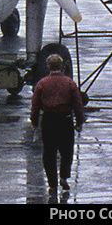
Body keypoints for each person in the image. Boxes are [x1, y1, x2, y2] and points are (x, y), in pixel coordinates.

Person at [30, 54, 85, 196]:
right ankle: (64, 177)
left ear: (48, 67)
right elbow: (78, 104)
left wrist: (34, 122)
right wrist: (79, 122)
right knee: (66, 151)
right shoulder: (69, 83)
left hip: (48, 120)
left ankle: (52, 183)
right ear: (61, 66)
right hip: (65, 119)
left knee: (49, 153)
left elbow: (35, 105)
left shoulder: (42, 83)